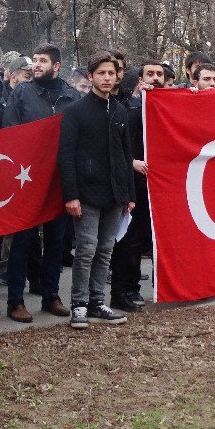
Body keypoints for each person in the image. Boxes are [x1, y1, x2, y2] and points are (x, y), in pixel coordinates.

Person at [57, 52, 135, 329]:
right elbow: (66, 156)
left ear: (117, 77)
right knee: (87, 249)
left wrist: (129, 196)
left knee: (105, 249)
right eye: (101, 73)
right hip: (86, 195)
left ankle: (97, 300)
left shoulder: (120, 111)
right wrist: (71, 195)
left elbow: (126, 156)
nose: (106, 78)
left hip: (115, 195)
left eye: (111, 73)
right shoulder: (75, 112)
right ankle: (79, 305)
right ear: (90, 77)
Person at [2, 44, 79, 322]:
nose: (36, 65)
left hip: (59, 179)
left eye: (42, 60)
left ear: (56, 66)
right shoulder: (22, 93)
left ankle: (51, 294)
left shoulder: (71, 96)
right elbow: (10, 132)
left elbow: (75, 138)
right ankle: (15, 300)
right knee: (24, 239)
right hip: (27, 178)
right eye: (34, 60)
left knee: (57, 240)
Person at [110, 59, 165, 311]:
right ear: (139, 79)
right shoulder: (128, 106)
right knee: (130, 238)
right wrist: (132, 162)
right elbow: (117, 143)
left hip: (161, 184)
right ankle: (124, 290)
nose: (155, 78)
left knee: (154, 238)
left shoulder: (169, 104)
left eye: (159, 74)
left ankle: (160, 285)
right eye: (150, 74)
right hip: (135, 183)